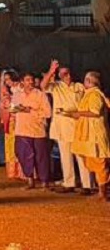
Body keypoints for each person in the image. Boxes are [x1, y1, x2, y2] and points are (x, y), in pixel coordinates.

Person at [42, 60, 90, 193]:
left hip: (77, 125)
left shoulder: (79, 86)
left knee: (81, 156)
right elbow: (43, 85)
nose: (66, 75)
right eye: (62, 73)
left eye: (67, 73)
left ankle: (87, 184)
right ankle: (69, 182)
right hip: (62, 126)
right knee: (65, 156)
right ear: (59, 75)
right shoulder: (56, 86)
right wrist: (51, 70)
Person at [10, 72, 52, 188]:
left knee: (41, 157)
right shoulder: (17, 95)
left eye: (32, 80)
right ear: (22, 82)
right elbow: (12, 109)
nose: (31, 82)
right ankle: (30, 180)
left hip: (37, 130)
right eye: (28, 80)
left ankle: (44, 181)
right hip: (22, 130)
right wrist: (23, 108)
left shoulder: (40, 95)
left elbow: (48, 113)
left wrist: (30, 111)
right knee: (23, 155)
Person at [73, 70, 110, 201]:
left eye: (85, 80)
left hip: (95, 134)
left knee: (100, 163)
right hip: (90, 135)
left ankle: (103, 193)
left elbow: (95, 112)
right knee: (94, 162)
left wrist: (79, 114)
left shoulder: (94, 95)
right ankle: (101, 191)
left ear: (89, 81)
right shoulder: (91, 94)